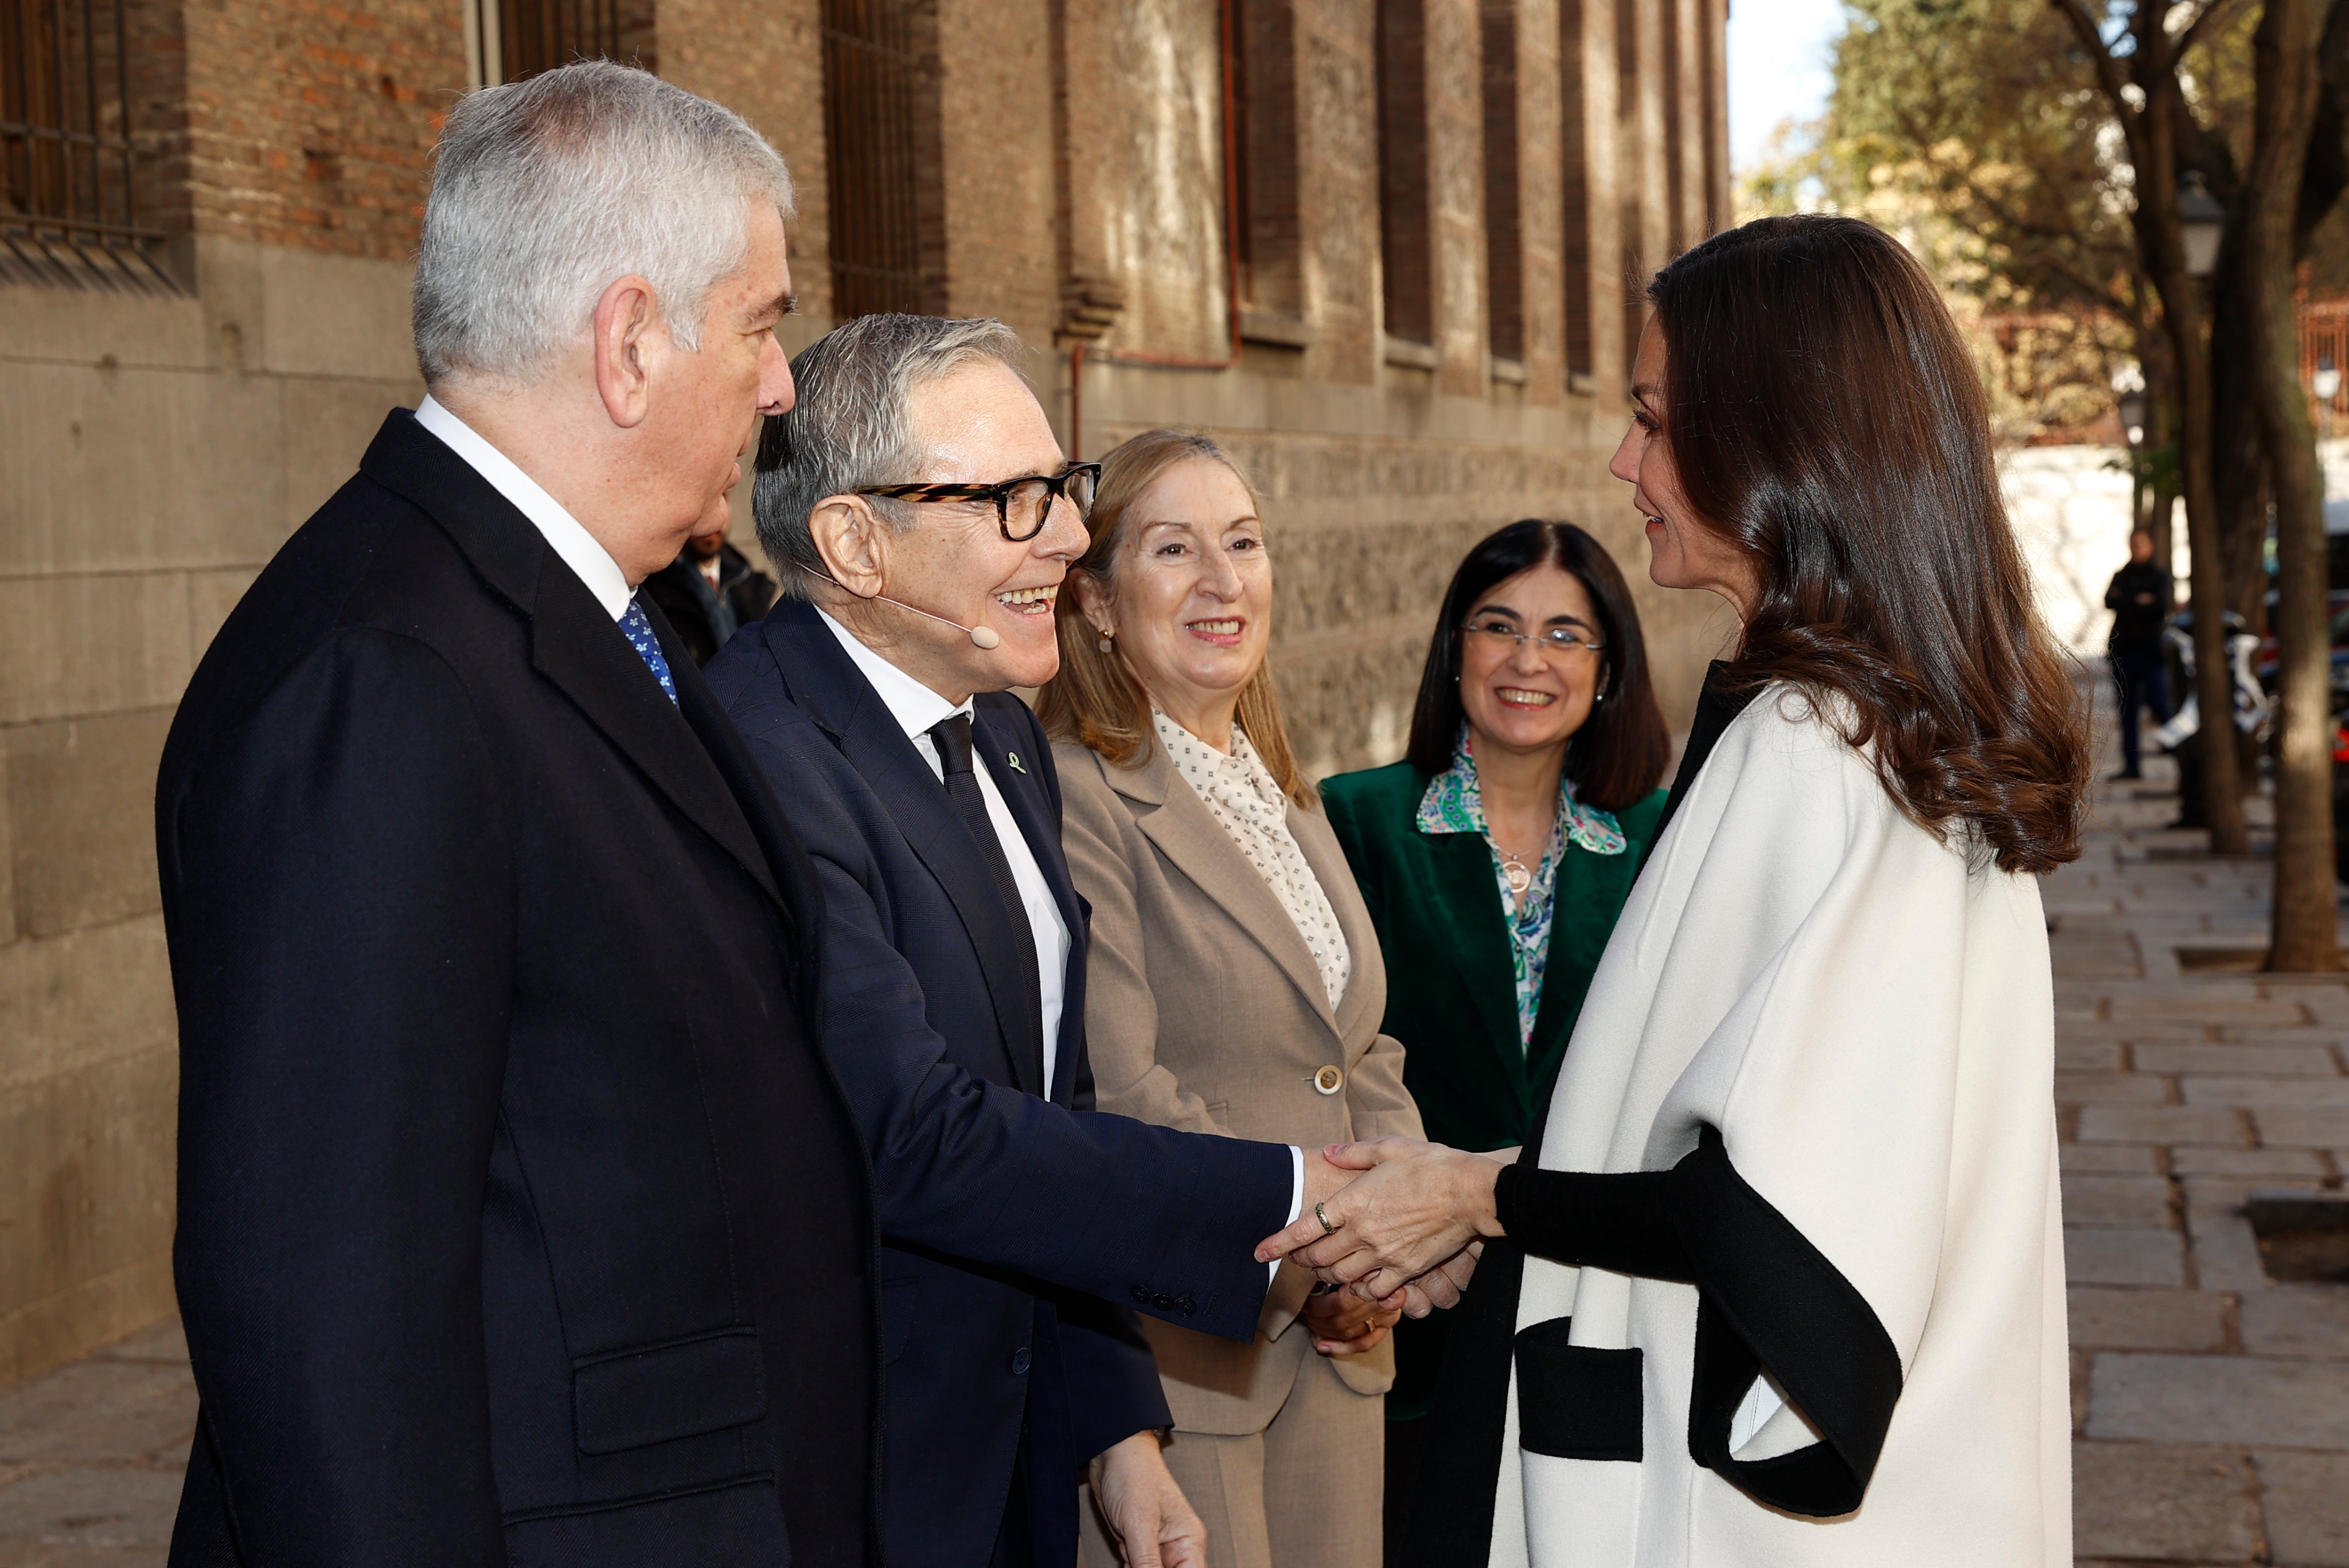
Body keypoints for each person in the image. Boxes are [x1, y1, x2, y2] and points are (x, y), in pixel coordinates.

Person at [1261, 214, 2090, 1566]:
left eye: (1653, 418)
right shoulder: (1884, 731)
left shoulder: (1825, 750)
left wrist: (1476, 1194)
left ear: (1776, 437)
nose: (1623, 460)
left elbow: (1774, 1222)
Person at [155, 63, 880, 1566]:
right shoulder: (384, 674)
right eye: (760, 322)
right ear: (628, 342)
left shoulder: (606, 617)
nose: (777, 382)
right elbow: (322, 1312)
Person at [705, 318, 1371, 1568]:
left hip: (1016, 1458)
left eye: (1057, 489)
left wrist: (1116, 1430)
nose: (1068, 535)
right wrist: (1291, 1192)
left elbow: (1045, 1098)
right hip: (864, 1468)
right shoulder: (761, 756)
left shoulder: (1002, 740)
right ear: (855, 542)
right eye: (1013, 499)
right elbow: (912, 1135)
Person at [1037, 429, 1430, 1568]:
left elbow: (1359, 1045)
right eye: (1173, 548)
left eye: (1243, 542)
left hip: (1339, 1361)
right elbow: (1121, 1087)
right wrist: (1315, 1262)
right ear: (1099, 604)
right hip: (1190, 1368)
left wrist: (1395, 1234)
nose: (1222, 580)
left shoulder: (1278, 782)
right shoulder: (1078, 793)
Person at [1316, 517, 1672, 1544]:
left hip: (1592, 1312)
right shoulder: (1359, 823)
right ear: (1454, 649)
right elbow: (1322, 1067)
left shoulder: (1655, 841)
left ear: (1608, 670)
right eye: (1499, 626)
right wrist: (1335, 1274)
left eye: (1566, 635)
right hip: (1406, 1314)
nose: (1528, 661)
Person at [642, 505, 780, 664]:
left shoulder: (749, 580)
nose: (713, 519)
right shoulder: (654, 591)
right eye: (701, 505)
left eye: (723, 498)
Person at [2104, 527, 2173, 779]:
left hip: (2151, 652)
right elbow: (2109, 601)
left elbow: (2160, 607)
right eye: (2133, 544)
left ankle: (2177, 753)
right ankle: (2131, 765)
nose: (2137, 549)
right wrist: (2139, 600)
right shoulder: (2122, 575)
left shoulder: (2159, 576)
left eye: (2141, 544)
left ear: (2151, 546)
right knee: (2128, 712)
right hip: (2123, 652)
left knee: (2161, 704)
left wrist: (2128, 600)